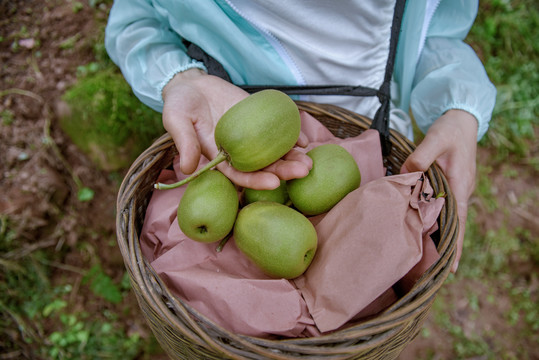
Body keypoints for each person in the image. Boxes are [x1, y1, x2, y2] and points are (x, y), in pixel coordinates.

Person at [105, 0, 496, 273]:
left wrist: (459, 105)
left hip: (369, 138)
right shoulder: (238, 161)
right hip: (226, 118)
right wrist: (179, 75)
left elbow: (436, 29)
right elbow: (139, 15)